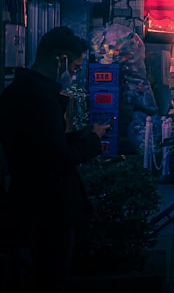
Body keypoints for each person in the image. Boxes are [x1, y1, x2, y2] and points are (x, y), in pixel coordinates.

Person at [0, 26, 110, 287]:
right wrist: (93, 141)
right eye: (73, 67)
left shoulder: (17, 92)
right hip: (48, 209)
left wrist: (81, 134)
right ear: (59, 60)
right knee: (51, 275)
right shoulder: (40, 99)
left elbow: (42, 144)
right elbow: (57, 158)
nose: (74, 73)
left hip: (28, 203)